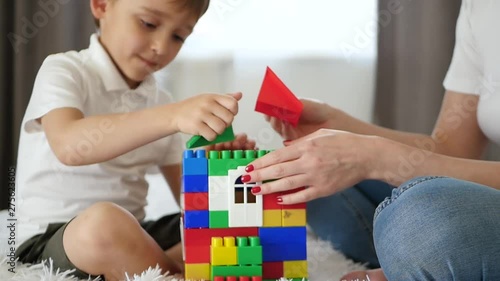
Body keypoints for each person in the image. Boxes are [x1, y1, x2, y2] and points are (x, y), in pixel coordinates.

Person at [242, 0, 500, 280]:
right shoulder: (480, 6)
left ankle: (407, 259)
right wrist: (343, 128)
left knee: (420, 216)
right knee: (307, 180)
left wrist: (379, 158)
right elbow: (453, 149)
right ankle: (407, 261)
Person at [15, 0, 255, 280]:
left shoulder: (160, 103)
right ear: (102, 5)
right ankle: (176, 271)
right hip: (52, 239)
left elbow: (190, 201)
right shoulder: (64, 70)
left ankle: (159, 262)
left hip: (136, 233)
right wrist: (172, 116)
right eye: (149, 24)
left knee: (226, 219)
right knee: (104, 223)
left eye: (178, 36)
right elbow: (70, 146)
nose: (161, 47)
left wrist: (213, 167)